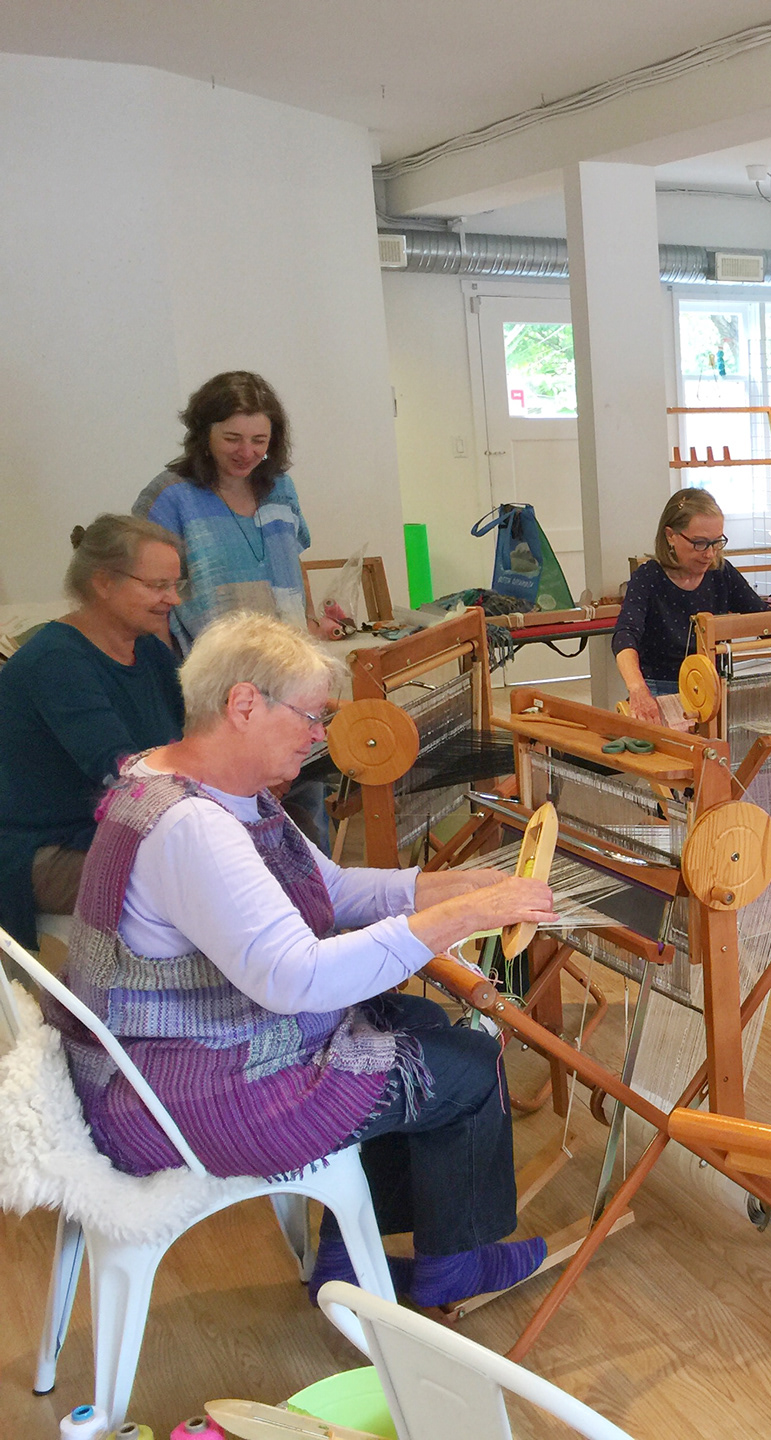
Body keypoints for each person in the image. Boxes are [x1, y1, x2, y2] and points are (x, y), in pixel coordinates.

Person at [52, 612, 558, 1308]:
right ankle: (456, 1264)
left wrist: (460, 885)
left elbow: (336, 889)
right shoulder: (191, 826)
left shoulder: (204, 787)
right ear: (244, 704)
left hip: (176, 1050)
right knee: (469, 1067)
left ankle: (349, 1259)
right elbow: (296, 978)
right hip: (182, 1089)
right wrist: (461, 919)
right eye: (312, 716)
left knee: (413, 1020)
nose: (322, 736)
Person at [0, 516, 186, 949]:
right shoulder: (56, 661)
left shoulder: (148, 651)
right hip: (43, 850)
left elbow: (204, 718)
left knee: (281, 831)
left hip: (117, 830)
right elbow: (120, 769)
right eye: (158, 586)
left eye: (176, 585)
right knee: (202, 870)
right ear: (104, 582)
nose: (173, 599)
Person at [134, 371, 312, 651]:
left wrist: (311, 623)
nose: (246, 451)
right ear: (204, 435)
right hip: (210, 668)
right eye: (232, 438)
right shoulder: (170, 497)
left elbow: (293, 565)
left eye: (259, 440)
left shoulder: (281, 489)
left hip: (286, 661)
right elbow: (149, 597)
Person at [612, 488, 771, 726]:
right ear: (670, 536)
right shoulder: (648, 579)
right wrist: (638, 689)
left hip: (711, 693)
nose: (709, 553)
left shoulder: (721, 574)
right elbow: (625, 636)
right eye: (699, 543)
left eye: (716, 542)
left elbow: (765, 622)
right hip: (659, 695)